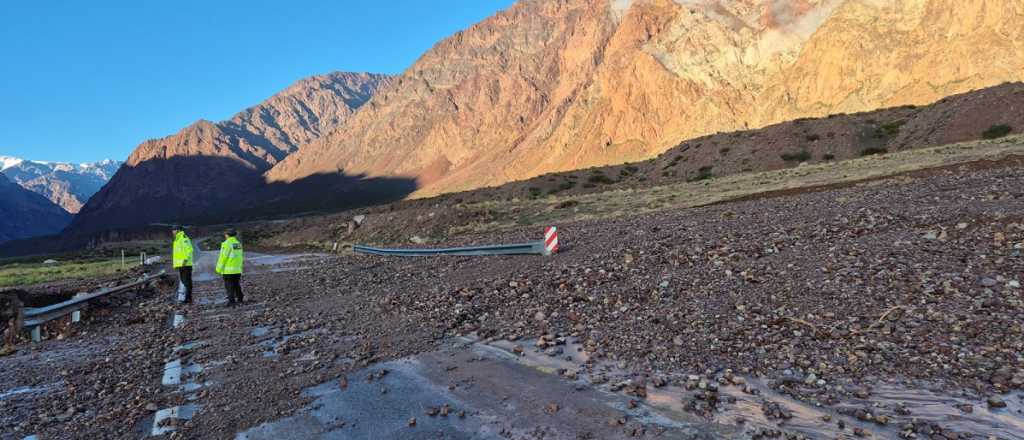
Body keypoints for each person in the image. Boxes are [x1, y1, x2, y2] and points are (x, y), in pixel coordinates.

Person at [216, 228, 245, 306]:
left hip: (228, 270)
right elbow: (240, 256)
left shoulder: (226, 244)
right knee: (236, 285)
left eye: (225, 234)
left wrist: (218, 268)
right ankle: (240, 299)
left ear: (227, 235)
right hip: (237, 269)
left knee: (229, 286)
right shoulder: (238, 243)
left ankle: (231, 301)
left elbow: (223, 257)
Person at [172, 226, 194, 304]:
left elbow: (189, 250)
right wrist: (176, 265)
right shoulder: (177, 239)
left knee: (187, 282)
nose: (173, 231)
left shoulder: (184, 238)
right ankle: (188, 298)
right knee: (184, 281)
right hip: (181, 265)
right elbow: (177, 254)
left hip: (185, 264)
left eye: (174, 230)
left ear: (178, 230)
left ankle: (188, 299)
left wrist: (185, 260)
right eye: (172, 230)